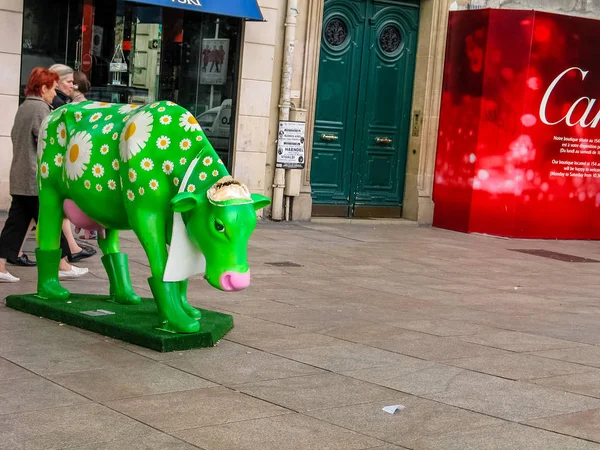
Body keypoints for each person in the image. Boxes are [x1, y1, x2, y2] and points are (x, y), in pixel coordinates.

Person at [0, 67, 88, 283]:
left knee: (17, 224)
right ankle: (63, 264)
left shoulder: (24, 107)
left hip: (21, 175)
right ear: (43, 88)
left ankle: (1, 266)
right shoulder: (40, 109)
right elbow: (48, 141)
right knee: (49, 220)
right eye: (52, 89)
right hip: (35, 178)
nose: (54, 94)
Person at [67, 71, 99, 243]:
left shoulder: (80, 106)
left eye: (70, 81)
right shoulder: (77, 104)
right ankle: (89, 229)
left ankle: (90, 228)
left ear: (76, 85)